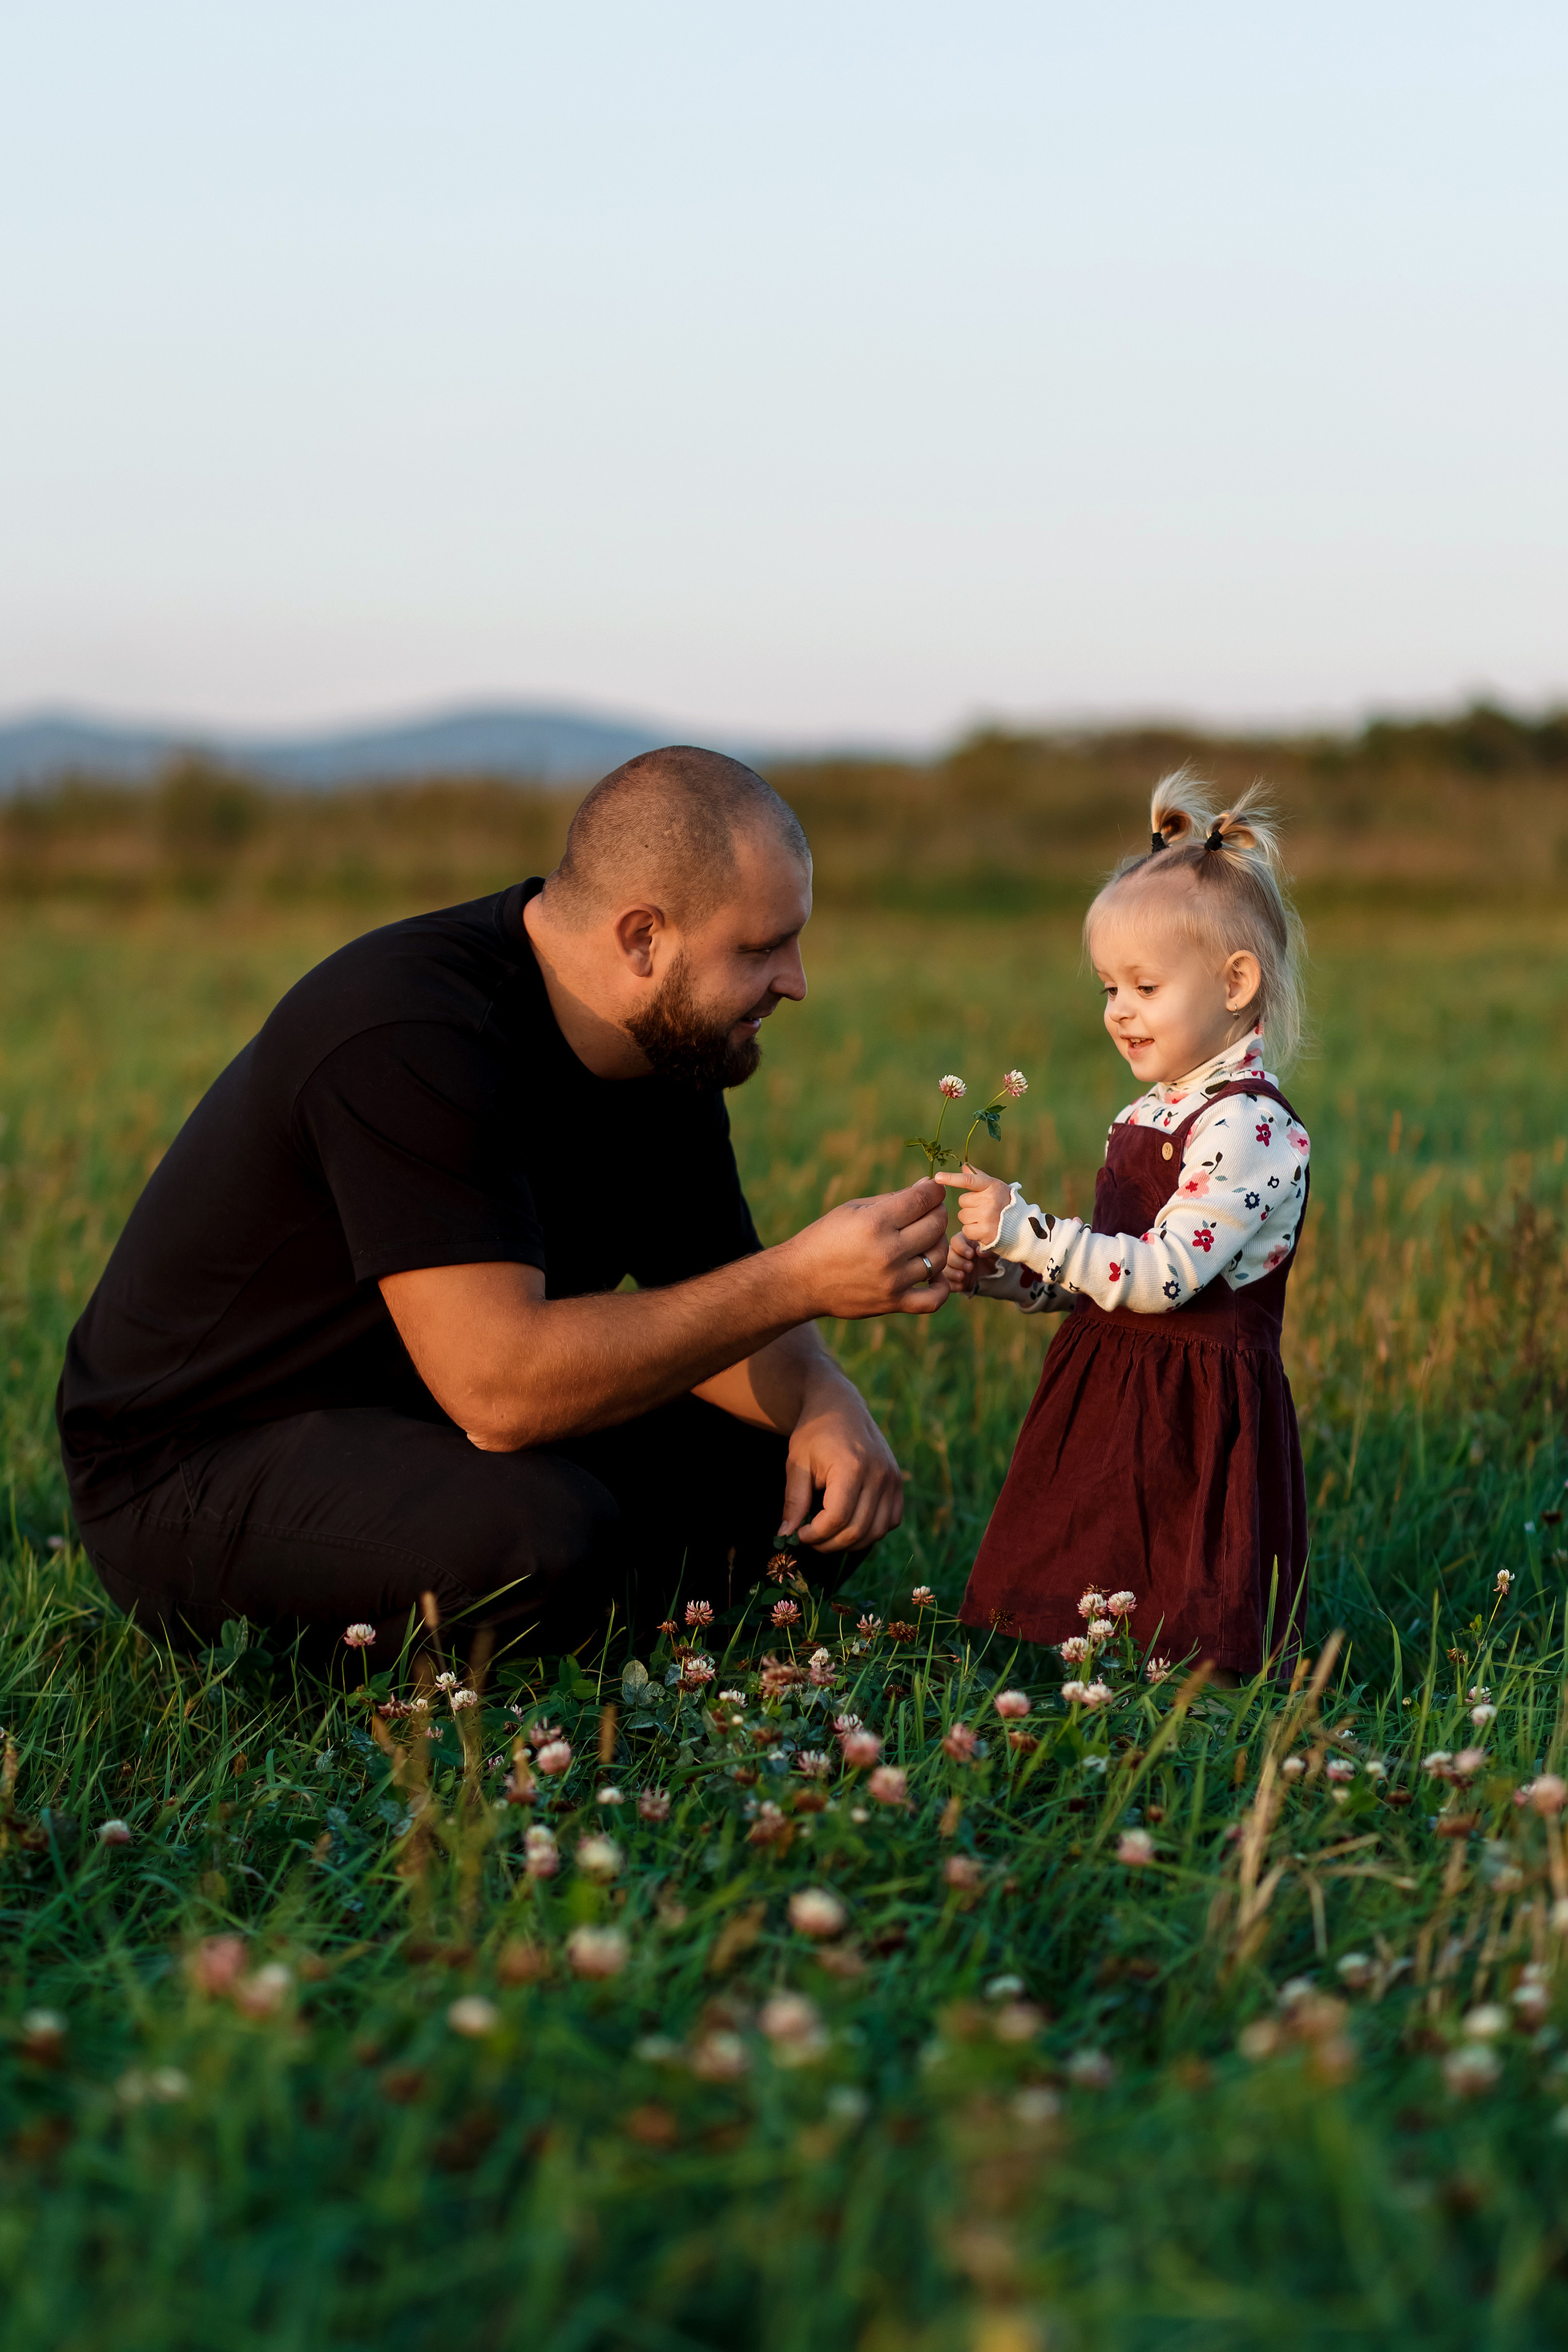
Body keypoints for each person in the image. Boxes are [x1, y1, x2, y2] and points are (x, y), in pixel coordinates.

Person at [57, 747, 951, 1664]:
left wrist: (821, 1396)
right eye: (760, 949)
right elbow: (501, 1392)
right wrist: (801, 1280)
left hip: (412, 1418)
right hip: (193, 1463)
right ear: (643, 938)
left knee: (788, 1484)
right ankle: (553, 1632)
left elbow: (716, 1288)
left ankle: (590, 1626)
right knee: (536, 1542)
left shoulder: (668, 1046)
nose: (797, 981)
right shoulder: (412, 1030)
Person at [941, 775, 1311, 1680]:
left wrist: (1027, 1224)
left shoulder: (1252, 1126)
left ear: (1236, 983)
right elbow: (1104, 1273)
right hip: (1114, 1381)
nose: (1119, 1009)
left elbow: (1168, 1274)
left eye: (1145, 986)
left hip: (1194, 1405)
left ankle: (1187, 1733)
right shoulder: (1152, 1111)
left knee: (1180, 1594)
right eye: (1110, 986)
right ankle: (1073, 1697)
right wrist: (1007, 1269)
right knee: (1090, 1560)